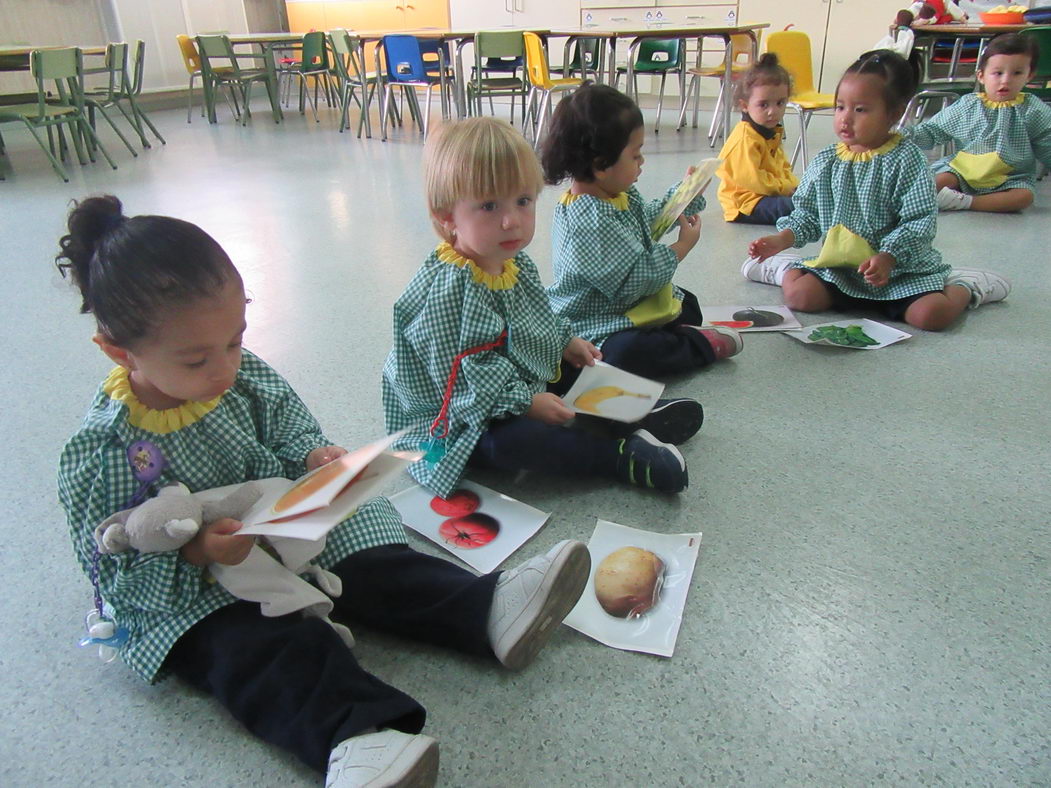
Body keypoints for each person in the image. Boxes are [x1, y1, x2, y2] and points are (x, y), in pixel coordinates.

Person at [56, 194, 593, 788]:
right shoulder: (101, 452)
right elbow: (113, 574)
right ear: (117, 348)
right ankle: (355, 737)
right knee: (258, 648)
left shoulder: (242, 374)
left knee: (373, 556)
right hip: (194, 588)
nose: (224, 369)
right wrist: (197, 551)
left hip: (275, 529)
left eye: (234, 341)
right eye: (196, 359)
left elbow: (289, 425)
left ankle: (486, 609)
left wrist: (315, 458)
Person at [383, 116, 699, 497]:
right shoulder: (450, 291)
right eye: (488, 206)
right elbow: (467, 380)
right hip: (458, 414)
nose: (511, 221)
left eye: (523, 201)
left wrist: (566, 341)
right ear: (446, 216)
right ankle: (616, 457)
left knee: (576, 366)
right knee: (509, 443)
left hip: (507, 377)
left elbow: (537, 315)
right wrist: (526, 403)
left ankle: (635, 415)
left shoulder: (513, 261)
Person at [743, 50, 1010, 332]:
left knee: (932, 316)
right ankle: (784, 266)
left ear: (893, 113)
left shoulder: (908, 159)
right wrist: (781, 239)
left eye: (860, 110)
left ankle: (967, 285)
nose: (845, 119)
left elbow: (919, 222)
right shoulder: (827, 160)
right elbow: (808, 214)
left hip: (900, 271)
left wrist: (889, 256)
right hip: (842, 270)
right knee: (801, 297)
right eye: (840, 106)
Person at [539, 84, 743, 382]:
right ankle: (699, 345)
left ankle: (674, 332)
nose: (642, 162)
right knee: (626, 354)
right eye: (636, 155)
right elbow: (637, 279)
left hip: (627, 306)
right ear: (601, 165)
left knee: (688, 304)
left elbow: (648, 222)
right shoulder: (590, 221)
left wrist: (684, 196)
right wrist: (680, 249)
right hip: (596, 320)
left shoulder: (615, 194)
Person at [902, 33, 1051, 213]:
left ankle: (963, 201)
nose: (1005, 80)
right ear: (981, 75)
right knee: (936, 182)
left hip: (1010, 177)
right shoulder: (968, 105)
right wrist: (902, 135)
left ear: (1029, 76)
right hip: (961, 171)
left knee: (1024, 197)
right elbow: (932, 132)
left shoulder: (1033, 109)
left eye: (1017, 73)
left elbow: (1047, 144)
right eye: (998, 73)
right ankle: (911, 201)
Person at [715, 52, 799, 225]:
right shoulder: (745, 139)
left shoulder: (770, 131)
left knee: (805, 201)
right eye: (763, 105)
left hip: (766, 195)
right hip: (745, 204)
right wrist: (786, 188)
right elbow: (755, 180)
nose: (773, 111)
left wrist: (795, 185)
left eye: (780, 103)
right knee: (796, 207)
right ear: (745, 105)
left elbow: (782, 166)